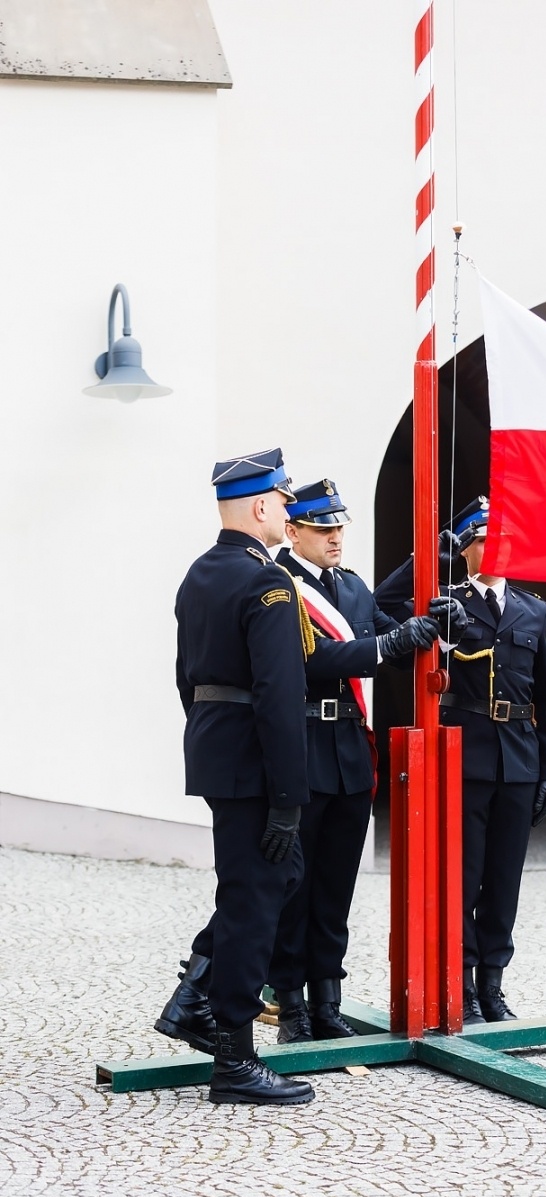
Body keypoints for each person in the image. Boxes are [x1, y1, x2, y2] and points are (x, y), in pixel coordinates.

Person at [155, 448, 316, 1106]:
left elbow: (184, 677)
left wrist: (213, 739)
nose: (287, 512)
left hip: (219, 751)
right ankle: (235, 1059)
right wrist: (289, 798)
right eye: (281, 502)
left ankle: (195, 996)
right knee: (254, 900)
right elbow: (280, 697)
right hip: (253, 760)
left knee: (269, 880)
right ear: (259, 506)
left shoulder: (200, 573)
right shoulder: (267, 582)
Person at [374, 496, 546, 1024]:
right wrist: (427, 561)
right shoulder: (445, 602)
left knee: (504, 880)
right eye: (482, 539)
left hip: (519, 761)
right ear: (465, 549)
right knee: (463, 877)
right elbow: (381, 604)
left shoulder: (534, 610)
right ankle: (460, 986)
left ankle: (492, 986)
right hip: (466, 760)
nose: (495, 548)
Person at [267, 479, 446, 1042]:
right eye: (322, 528)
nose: (336, 537)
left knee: (336, 887)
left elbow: (393, 637)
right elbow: (315, 657)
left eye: (339, 527)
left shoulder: (350, 586)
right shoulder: (279, 584)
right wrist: (389, 645)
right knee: (295, 888)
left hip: (348, 750)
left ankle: (327, 1002)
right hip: (303, 745)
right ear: (292, 531)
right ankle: (291, 1007)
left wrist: (435, 627)